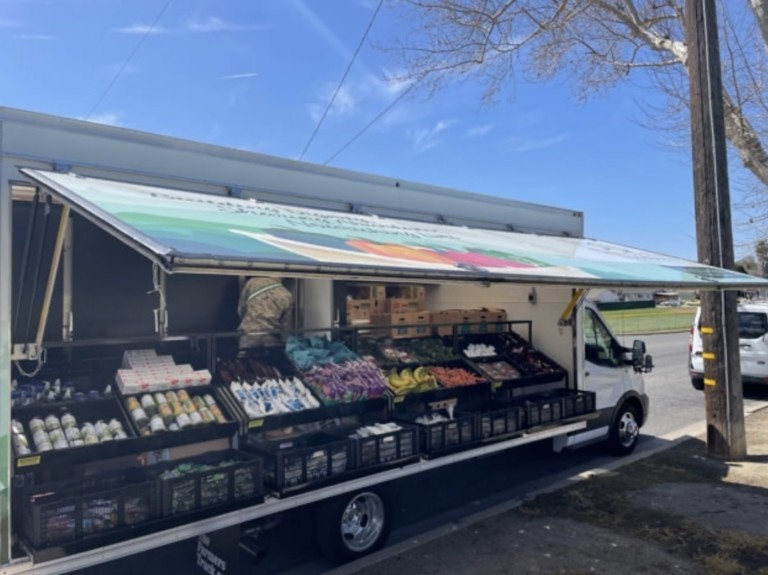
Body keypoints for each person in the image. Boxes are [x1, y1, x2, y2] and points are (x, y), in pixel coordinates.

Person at [237, 277, 293, 350]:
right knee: (267, 361)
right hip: (270, 337)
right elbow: (285, 324)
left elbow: (241, 309)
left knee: (245, 360)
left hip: (249, 335)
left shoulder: (252, 283)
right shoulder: (286, 295)